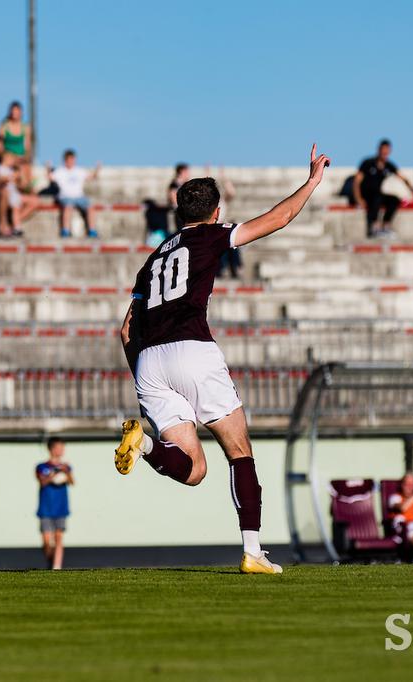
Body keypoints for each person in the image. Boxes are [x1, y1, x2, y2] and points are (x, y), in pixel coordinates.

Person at [115, 144, 331, 575]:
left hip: (148, 362)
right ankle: (253, 552)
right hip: (192, 349)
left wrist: (143, 374)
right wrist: (310, 183)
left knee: (194, 470)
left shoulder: (153, 258)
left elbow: (125, 330)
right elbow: (278, 219)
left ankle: (145, 446)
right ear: (214, 211)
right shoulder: (209, 235)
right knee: (239, 452)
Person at [353, 139, 413, 238]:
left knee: (394, 200)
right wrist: (358, 199)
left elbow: (403, 178)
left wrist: (412, 191)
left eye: (387, 151)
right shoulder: (368, 163)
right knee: (376, 197)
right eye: (383, 150)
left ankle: (386, 226)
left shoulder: (388, 165)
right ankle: (374, 227)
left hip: (378, 194)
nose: (385, 153)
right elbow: (356, 182)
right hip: (366, 195)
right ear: (379, 150)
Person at [35, 436, 74, 570]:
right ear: (51, 449)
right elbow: (42, 482)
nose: (61, 450)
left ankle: (56, 568)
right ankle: (50, 562)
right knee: (47, 542)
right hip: (46, 508)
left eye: (62, 448)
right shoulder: (41, 467)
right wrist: (53, 474)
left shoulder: (66, 466)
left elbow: (71, 482)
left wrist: (65, 471)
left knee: (59, 538)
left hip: (61, 508)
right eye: (59, 448)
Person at [48, 149, 100, 238]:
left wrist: (97, 170)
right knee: (68, 207)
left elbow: (92, 177)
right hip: (65, 196)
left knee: (90, 207)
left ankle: (92, 231)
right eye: (69, 159)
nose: (71, 161)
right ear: (65, 160)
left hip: (79, 197)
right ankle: (66, 231)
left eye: (72, 159)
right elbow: (51, 178)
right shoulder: (60, 171)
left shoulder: (79, 170)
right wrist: (48, 169)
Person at [0, 152, 41, 235]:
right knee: (16, 209)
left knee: (34, 202)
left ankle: (14, 224)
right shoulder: (1, 168)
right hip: (8, 195)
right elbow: (3, 180)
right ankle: (17, 227)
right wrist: (14, 176)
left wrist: (21, 175)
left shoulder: (12, 170)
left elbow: (21, 185)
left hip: (15, 194)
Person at [0, 101, 34, 191]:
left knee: (26, 168)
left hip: (20, 157)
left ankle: (26, 189)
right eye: (13, 111)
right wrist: (10, 157)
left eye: (17, 111)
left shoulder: (25, 127)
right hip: (7, 156)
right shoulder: (4, 126)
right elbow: (0, 145)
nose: (15, 113)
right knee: (12, 164)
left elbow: (27, 146)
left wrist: (25, 157)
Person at [167, 164, 191, 232]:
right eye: (186, 171)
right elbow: (173, 198)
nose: (188, 173)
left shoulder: (186, 183)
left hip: (186, 211)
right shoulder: (174, 184)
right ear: (181, 171)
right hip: (179, 213)